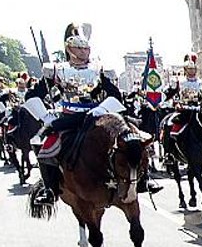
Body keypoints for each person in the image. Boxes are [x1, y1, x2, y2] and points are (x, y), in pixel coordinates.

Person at [23, 23, 131, 206]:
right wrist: (45, 116)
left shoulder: (99, 69)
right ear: (69, 49)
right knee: (42, 144)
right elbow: (32, 96)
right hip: (68, 116)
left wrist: (101, 108)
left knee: (131, 137)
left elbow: (115, 94)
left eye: (86, 48)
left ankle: (141, 180)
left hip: (97, 115)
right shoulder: (57, 70)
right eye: (79, 48)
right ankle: (50, 189)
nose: (83, 52)